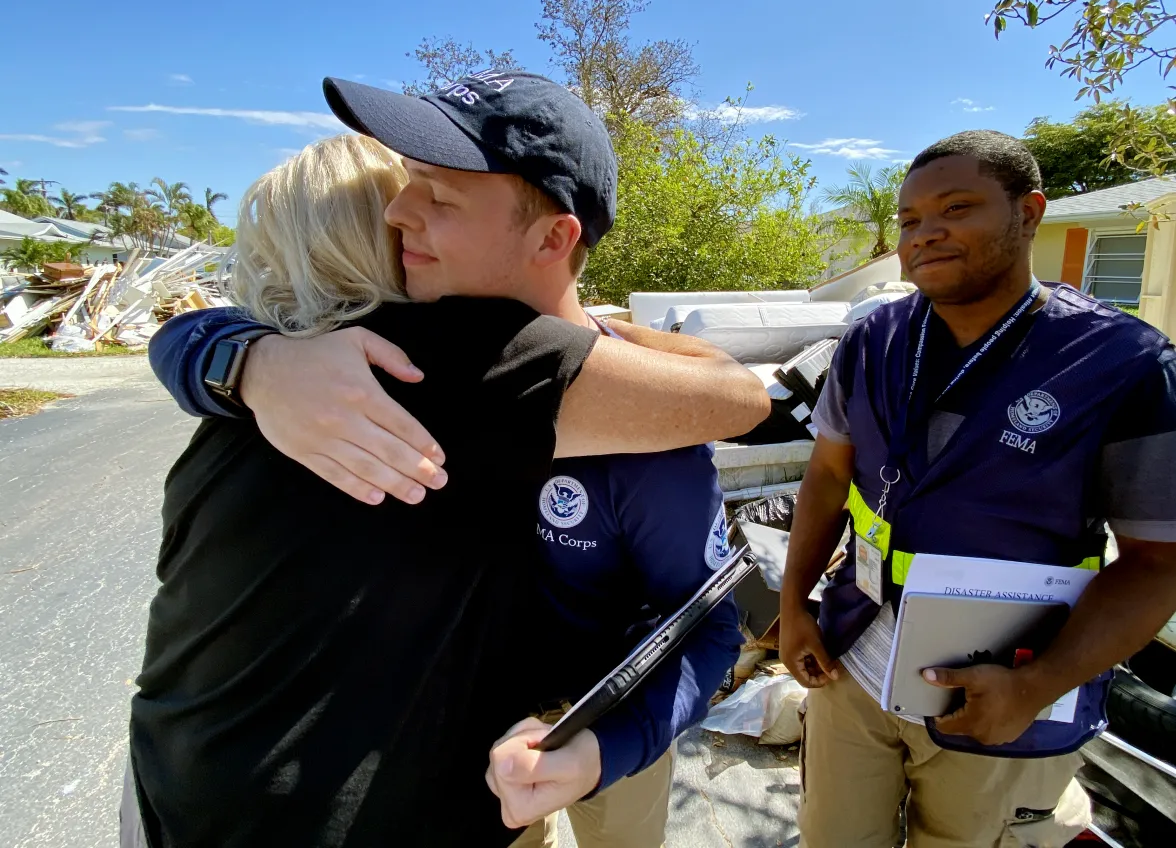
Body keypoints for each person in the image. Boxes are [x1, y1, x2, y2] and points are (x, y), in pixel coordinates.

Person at [125, 80, 769, 848]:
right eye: (404, 186)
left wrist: (611, 744)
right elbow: (731, 389)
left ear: (552, 238)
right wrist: (246, 354)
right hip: (464, 752)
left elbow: (706, 615)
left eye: (441, 195)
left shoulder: (607, 415)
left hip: (605, 712)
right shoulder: (373, 364)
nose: (401, 212)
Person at [779, 130, 1176, 848]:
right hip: (853, 663)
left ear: (1030, 211)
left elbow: (1165, 560)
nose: (926, 234)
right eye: (911, 220)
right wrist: (795, 606)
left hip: (1001, 690)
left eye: (958, 208)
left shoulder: (1126, 367)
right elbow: (828, 475)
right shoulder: (873, 341)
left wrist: (1038, 685)